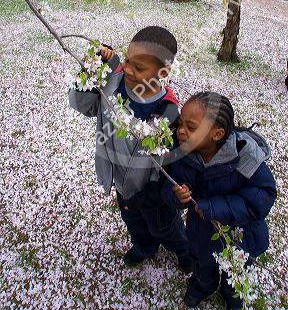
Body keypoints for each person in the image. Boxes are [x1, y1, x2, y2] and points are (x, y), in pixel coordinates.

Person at [69, 26, 192, 273]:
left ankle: (183, 250)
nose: (128, 69)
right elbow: (79, 104)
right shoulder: (111, 86)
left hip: (154, 191)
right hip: (122, 184)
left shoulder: (168, 114)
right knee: (133, 222)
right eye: (127, 60)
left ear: (163, 72)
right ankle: (144, 247)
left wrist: (173, 192)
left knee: (166, 227)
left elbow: (174, 164)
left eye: (139, 67)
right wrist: (92, 72)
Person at [161, 91, 277, 309]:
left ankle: (232, 294)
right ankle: (202, 286)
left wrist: (214, 207)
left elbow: (262, 197)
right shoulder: (184, 153)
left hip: (240, 235)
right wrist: (178, 195)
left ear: (217, 134)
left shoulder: (244, 155)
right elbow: (168, 188)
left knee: (236, 270)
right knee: (202, 265)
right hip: (201, 231)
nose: (181, 132)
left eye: (191, 127)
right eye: (181, 123)